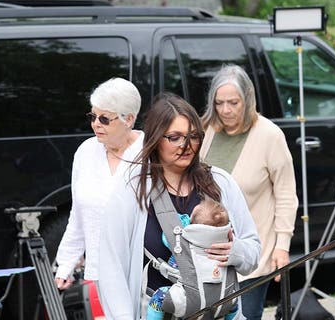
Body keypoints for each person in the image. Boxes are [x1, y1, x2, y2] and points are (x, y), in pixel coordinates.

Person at [98, 92, 260, 319]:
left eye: (193, 136)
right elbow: (110, 267)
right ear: (155, 139)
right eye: (175, 137)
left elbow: (253, 251)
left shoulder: (220, 182)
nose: (186, 146)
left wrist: (235, 252)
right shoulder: (131, 191)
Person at [199, 65, 298, 320]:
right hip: (208, 257)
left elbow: (286, 194)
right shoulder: (207, 129)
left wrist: (282, 246)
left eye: (233, 102)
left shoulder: (269, 135)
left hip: (251, 259)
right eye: (219, 103)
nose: (226, 110)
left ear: (248, 98)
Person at [54, 77, 143, 289]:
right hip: (100, 271)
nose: (95, 123)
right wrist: (67, 263)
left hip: (144, 272)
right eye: (93, 116)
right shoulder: (86, 151)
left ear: (128, 119)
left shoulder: (149, 153)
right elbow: (78, 214)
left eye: (104, 119)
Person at [146, 200, 232, 320]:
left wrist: (182, 223)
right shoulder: (226, 243)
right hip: (221, 300)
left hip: (189, 299)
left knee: (159, 298)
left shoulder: (185, 240)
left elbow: (166, 238)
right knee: (233, 303)